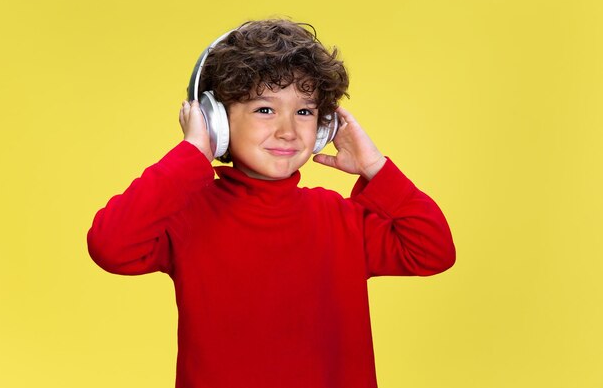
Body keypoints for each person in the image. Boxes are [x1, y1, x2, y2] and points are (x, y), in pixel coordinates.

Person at [87, 19, 456, 388]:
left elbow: (433, 250)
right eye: (265, 109)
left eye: (304, 111)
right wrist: (192, 154)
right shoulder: (186, 215)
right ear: (217, 121)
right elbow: (110, 245)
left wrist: (376, 167)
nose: (288, 131)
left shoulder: (342, 219)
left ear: (323, 127)